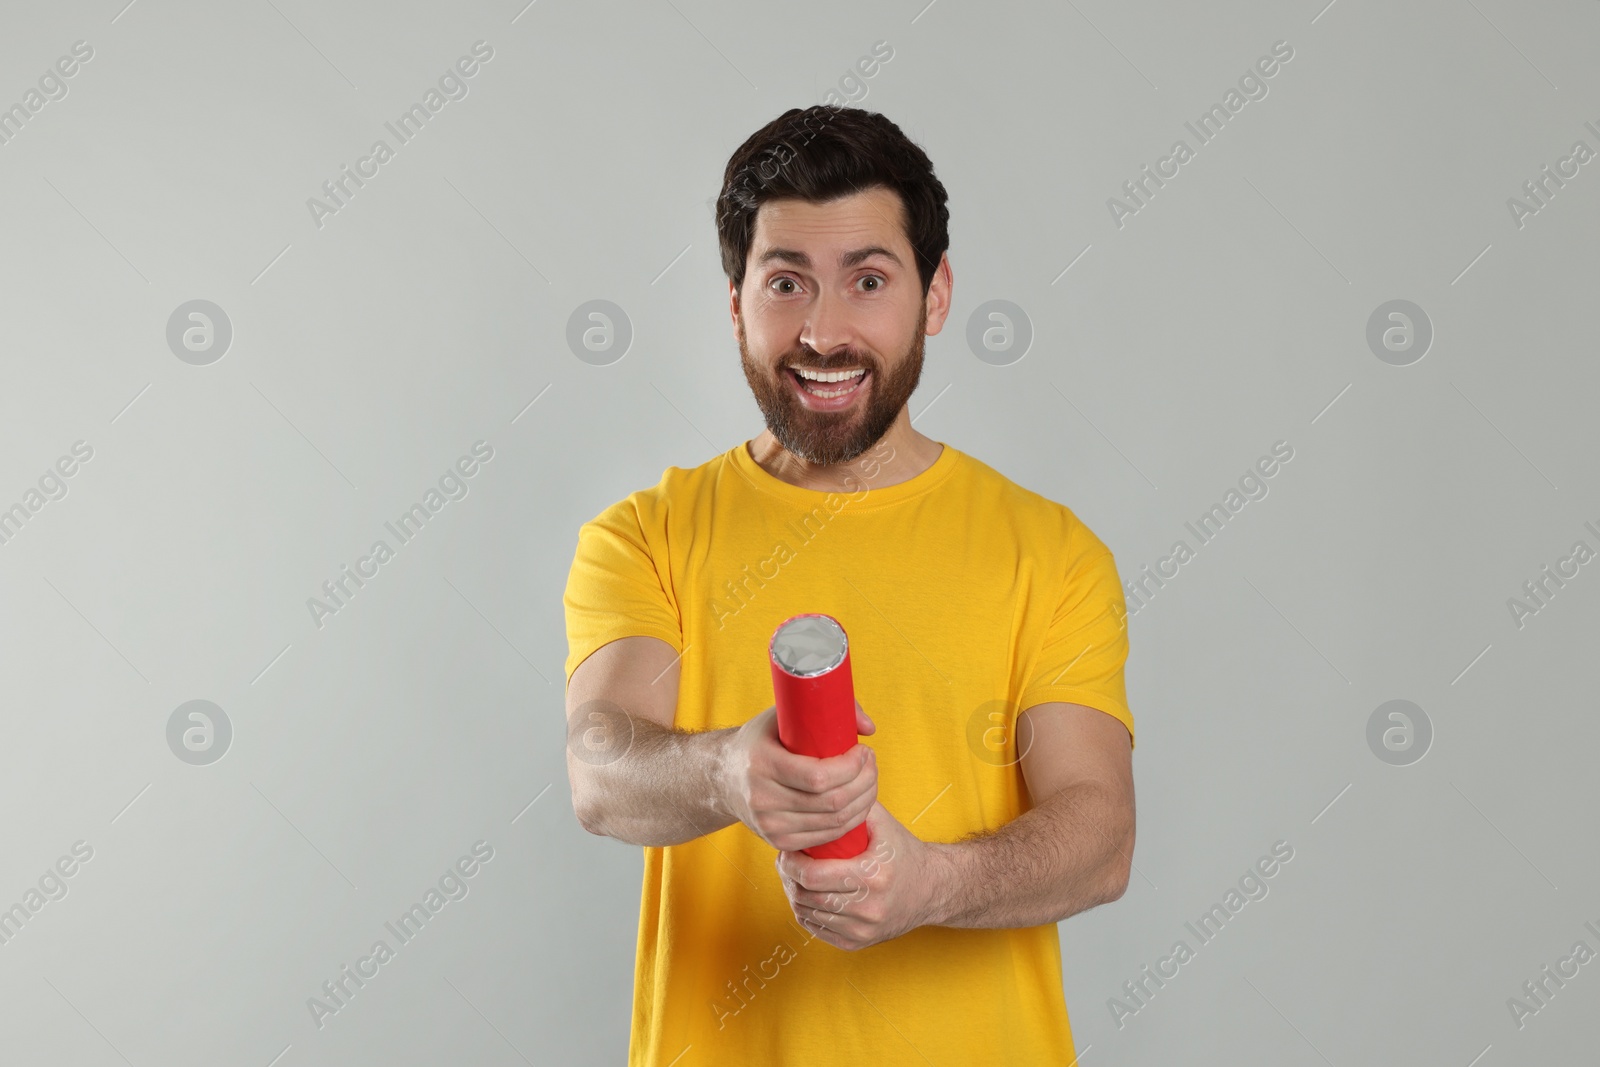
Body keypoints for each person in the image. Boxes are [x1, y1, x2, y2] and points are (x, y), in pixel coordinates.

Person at [562, 104, 1136, 1066]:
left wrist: (931, 884)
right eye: (786, 282)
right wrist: (725, 773)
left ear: (935, 295)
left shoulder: (1050, 552)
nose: (824, 332)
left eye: (868, 281)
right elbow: (600, 767)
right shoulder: (645, 535)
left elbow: (1100, 832)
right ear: (736, 302)